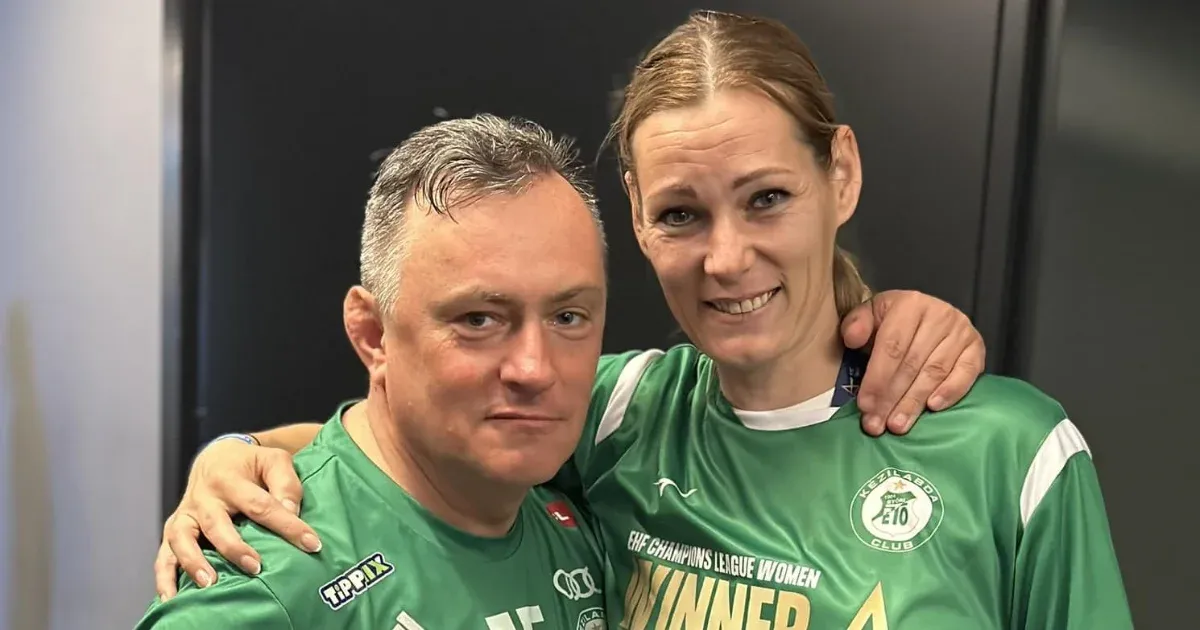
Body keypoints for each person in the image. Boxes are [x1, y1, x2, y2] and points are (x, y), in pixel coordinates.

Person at [162, 10, 1135, 628]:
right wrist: (234, 456)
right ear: (635, 215)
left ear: (839, 174)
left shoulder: (1012, 453)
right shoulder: (619, 411)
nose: (726, 257)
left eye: (766, 198)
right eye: (681, 214)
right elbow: (415, 441)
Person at [138, 115, 620, 628]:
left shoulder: (590, 507)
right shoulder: (267, 585)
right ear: (372, 334)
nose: (534, 369)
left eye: (568, 317)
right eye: (479, 319)